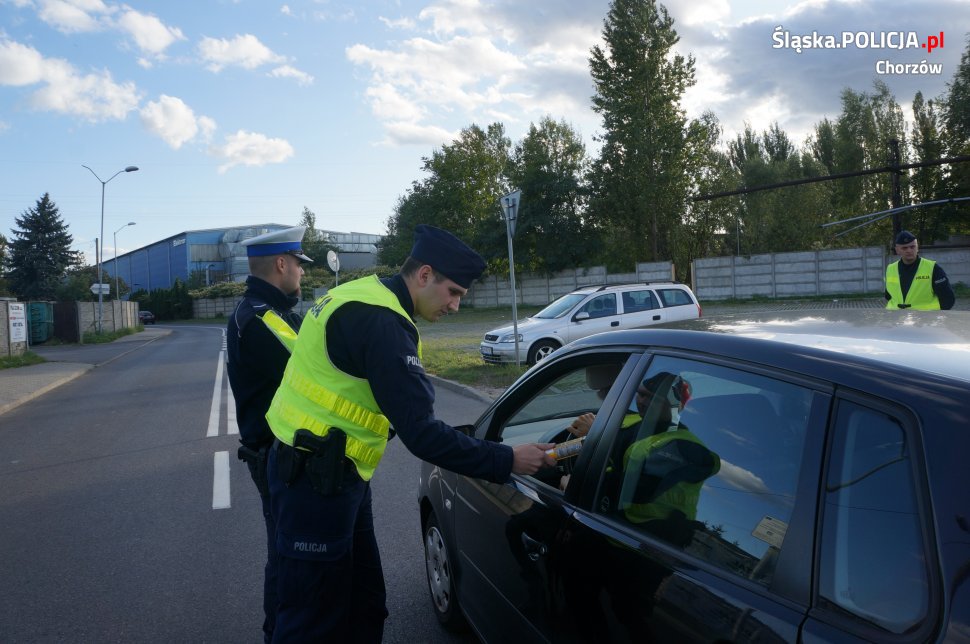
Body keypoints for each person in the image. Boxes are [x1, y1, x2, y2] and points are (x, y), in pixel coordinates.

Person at [263, 224, 555, 642]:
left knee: (362, 600)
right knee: (313, 617)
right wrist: (507, 459)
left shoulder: (361, 292)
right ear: (424, 275)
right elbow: (423, 435)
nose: (455, 306)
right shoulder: (384, 324)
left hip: (324, 472)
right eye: (453, 292)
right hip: (316, 486)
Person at [226, 225, 312, 643]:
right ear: (281, 263)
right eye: (298, 264)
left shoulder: (266, 313)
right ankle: (278, 634)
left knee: (287, 554)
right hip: (277, 457)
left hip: (277, 453)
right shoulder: (262, 320)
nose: (302, 274)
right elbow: (314, 376)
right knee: (288, 558)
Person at [885, 230, 955, 310]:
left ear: (917, 247)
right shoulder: (890, 269)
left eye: (912, 247)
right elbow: (888, 296)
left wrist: (934, 319)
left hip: (924, 320)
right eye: (904, 248)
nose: (909, 250)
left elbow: (948, 299)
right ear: (897, 250)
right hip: (895, 318)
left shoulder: (933, 268)